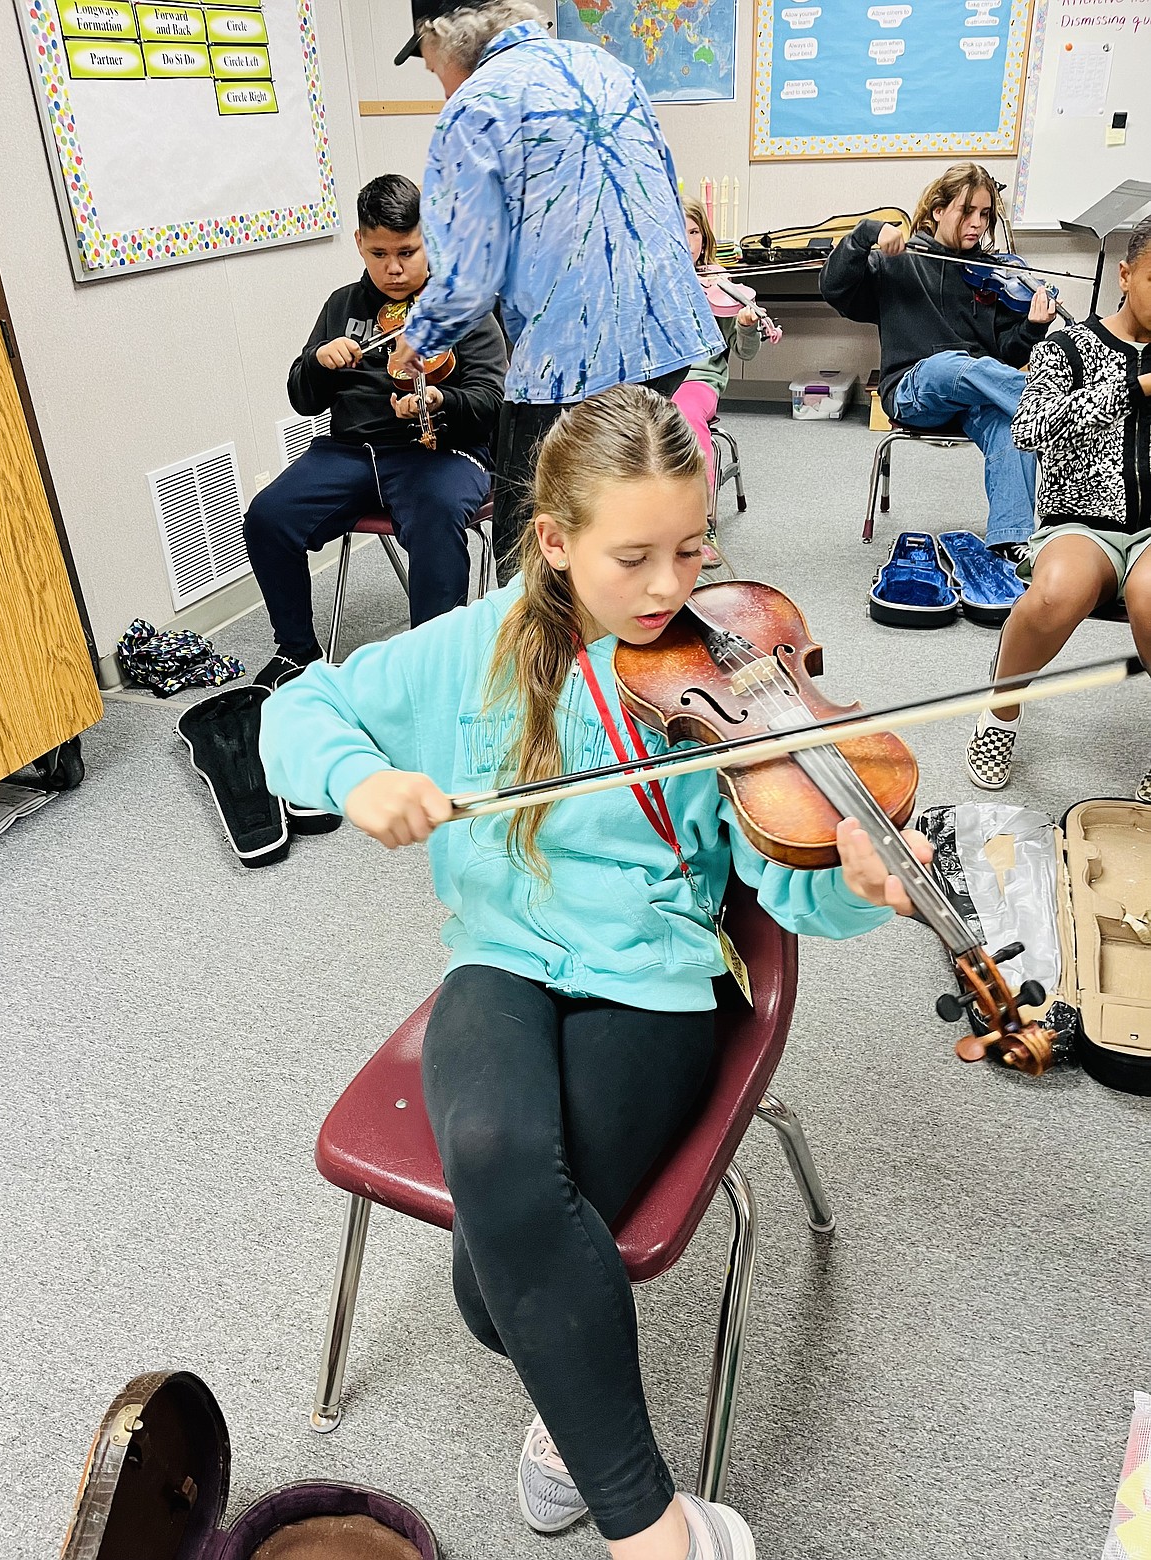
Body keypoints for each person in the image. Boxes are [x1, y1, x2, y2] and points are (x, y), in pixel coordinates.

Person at [261, 385, 932, 1560]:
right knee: (493, 1163)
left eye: (691, 547)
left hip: (655, 980)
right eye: (634, 558)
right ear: (557, 543)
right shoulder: (471, 649)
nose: (673, 589)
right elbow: (299, 711)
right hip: (501, 961)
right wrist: (359, 781)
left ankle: (574, 1426)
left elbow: (782, 879)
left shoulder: (725, 663)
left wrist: (857, 881)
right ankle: (661, 1532)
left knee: (492, 1290)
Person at [386, 0, 724, 582]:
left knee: (531, 557)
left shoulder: (474, 106)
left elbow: (467, 277)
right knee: (627, 528)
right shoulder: (607, 67)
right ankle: (621, 657)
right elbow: (668, 189)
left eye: (428, 65)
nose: (437, 84)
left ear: (441, 37)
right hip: (667, 338)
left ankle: (545, 670)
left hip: (570, 362)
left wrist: (418, 340)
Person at [242, 174, 507, 689]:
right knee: (267, 517)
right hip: (350, 452)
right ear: (360, 242)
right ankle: (296, 651)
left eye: (408, 252)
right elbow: (304, 399)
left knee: (437, 513)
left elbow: (493, 404)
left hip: (441, 452)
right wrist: (318, 363)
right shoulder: (342, 305)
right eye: (379, 252)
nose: (394, 268)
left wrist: (439, 398)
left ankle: (431, 662)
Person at [965, 217, 1151, 796]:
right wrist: (1132, 388)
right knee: (1057, 591)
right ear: (1125, 274)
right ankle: (1001, 711)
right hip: (1081, 520)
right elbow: (1033, 426)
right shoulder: (1070, 345)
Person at [820, 163, 1057, 560]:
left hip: (973, 398)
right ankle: (1056, 409)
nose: (977, 224)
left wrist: (1033, 328)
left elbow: (1005, 353)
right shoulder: (900, 259)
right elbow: (834, 289)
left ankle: (1010, 540)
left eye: (985, 215)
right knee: (952, 365)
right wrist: (866, 234)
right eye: (968, 212)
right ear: (937, 211)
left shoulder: (988, 274)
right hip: (914, 390)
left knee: (1012, 424)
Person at [674, 197, 768, 563]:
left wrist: (747, 327)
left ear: (705, 239)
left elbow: (745, 353)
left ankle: (699, 522)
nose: (687, 240)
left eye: (694, 231)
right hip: (655, 377)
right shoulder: (653, 283)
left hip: (698, 380)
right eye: (678, 231)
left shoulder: (721, 288)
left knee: (682, 416)